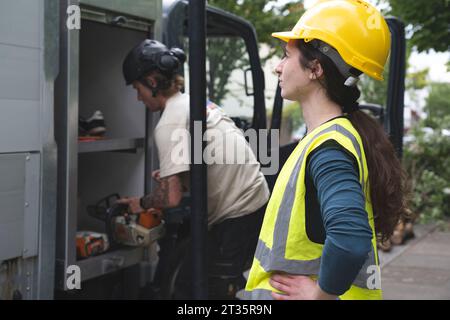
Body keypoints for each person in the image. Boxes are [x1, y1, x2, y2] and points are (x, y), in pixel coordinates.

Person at [244, 0, 410, 300]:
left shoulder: (329, 147)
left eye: (286, 56)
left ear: (315, 68)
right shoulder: (331, 137)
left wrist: (320, 295)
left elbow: (350, 240)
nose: (277, 67)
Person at [118, 39, 270, 299]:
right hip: (256, 205)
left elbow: (171, 198)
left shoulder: (168, 123)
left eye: (137, 88)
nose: (137, 97)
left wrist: (140, 203)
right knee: (212, 284)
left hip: (235, 216)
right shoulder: (195, 103)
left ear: (152, 82)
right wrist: (179, 178)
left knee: (190, 290)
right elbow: (209, 161)